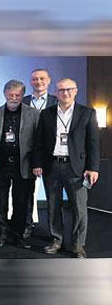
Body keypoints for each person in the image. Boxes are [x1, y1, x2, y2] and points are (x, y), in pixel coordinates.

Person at [32, 78, 100, 258]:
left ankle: (78, 245)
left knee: (79, 208)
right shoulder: (46, 113)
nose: (65, 93)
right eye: (61, 90)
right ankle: (57, 240)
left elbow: (93, 143)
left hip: (76, 168)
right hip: (52, 165)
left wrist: (93, 168)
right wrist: (37, 163)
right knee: (53, 207)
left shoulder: (87, 113)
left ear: (76, 91)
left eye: (69, 89)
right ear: (56, 93)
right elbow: (39, 141)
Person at [0, 80, 39, 250]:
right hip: (0, 164)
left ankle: (18, 235)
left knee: (22, 202)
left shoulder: (34, 114)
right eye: (11, 95)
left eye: (18, 95)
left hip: (24, 164)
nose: (14, 98)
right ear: (5, 94)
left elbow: (38, 141)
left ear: (23, 95)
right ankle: (1, 234)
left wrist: (37, 164)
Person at [21, 68, 58, 239]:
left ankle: (54, 233)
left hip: (51, 155)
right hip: (28, 154)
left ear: (49, 80)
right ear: (31, 82)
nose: (39, 82)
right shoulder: (23, 101)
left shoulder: (57, 101)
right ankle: (27, 226)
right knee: (26, 194)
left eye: (42, 78)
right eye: (35, 79)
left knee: (53, 197)